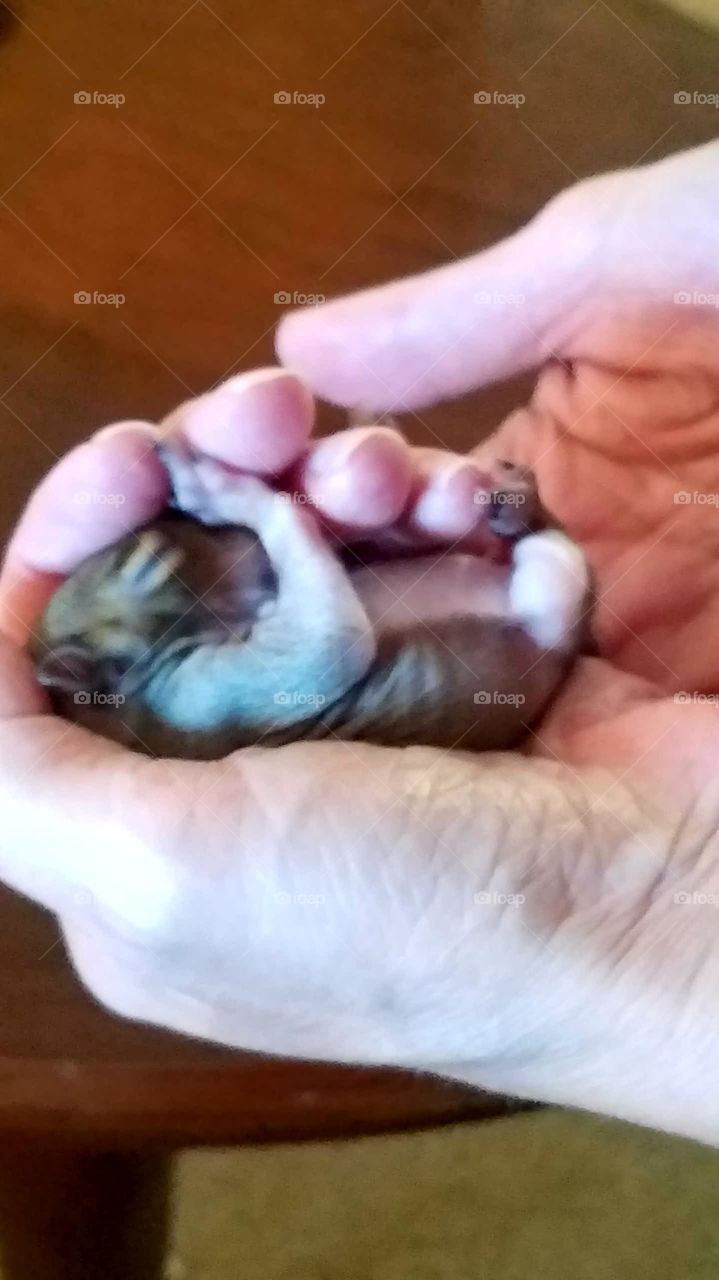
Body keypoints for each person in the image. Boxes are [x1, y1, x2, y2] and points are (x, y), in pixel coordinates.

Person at [0, 140, 717, 1145]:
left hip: (494, 620)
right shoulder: (191, 700)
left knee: (461, 548)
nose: (209, 564)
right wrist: (263, 512)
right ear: (94, 667)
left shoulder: (179, 657)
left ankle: (515, 541)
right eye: (169, 579)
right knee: (534, 587)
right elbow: (327, 646)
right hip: (514, 640)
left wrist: (660, 928)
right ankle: (518, 546)